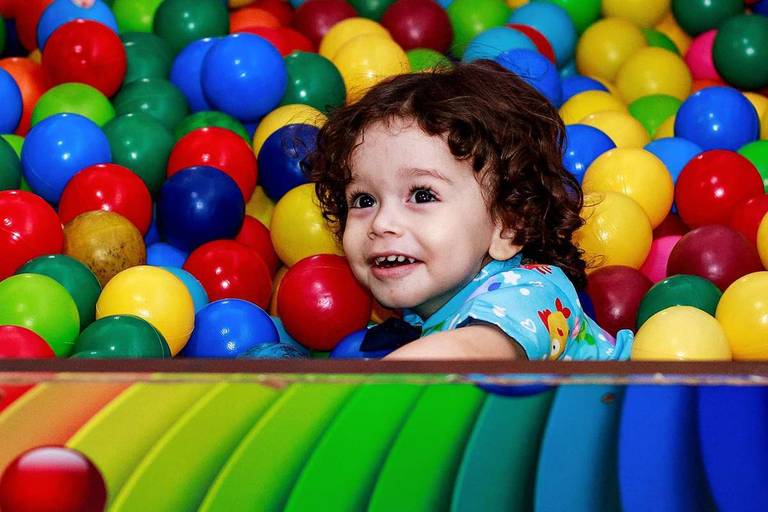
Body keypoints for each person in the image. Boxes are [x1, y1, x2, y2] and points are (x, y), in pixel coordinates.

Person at [307, 59, 633, 360]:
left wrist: (363, 394)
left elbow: (475, 352)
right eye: (364, 200)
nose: (382, 222)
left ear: (508, 225)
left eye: (422, 195)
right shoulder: (419, 314)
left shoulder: (531, 289)